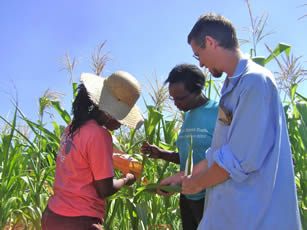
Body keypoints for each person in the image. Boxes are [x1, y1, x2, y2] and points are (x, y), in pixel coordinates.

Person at [160, 13, 302, 229]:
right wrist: (184, 177)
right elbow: (220, 152)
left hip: (255, 216)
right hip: (232, 215)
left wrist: (196, 184)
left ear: (210, 42)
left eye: (199, 55)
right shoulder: (231, 87)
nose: (202, 64)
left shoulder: (254, 82)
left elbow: (238, 158)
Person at [41, 71, 144, 230]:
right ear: (110, 113)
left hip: (52, 215)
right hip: (77, 220)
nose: (121, 124)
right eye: (122, 118)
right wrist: (126, 179)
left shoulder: (73, 127)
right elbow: (105, 189)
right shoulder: (100, 135)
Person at [141, 64, 218, 230]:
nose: (175, 103)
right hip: (188, 197)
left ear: (197, 91)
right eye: (172, 98)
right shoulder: (188, 115)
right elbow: (187, 158)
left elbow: (225, 158)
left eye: (180, 98)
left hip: (211, 199)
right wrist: (161, 153)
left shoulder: (219, 113)